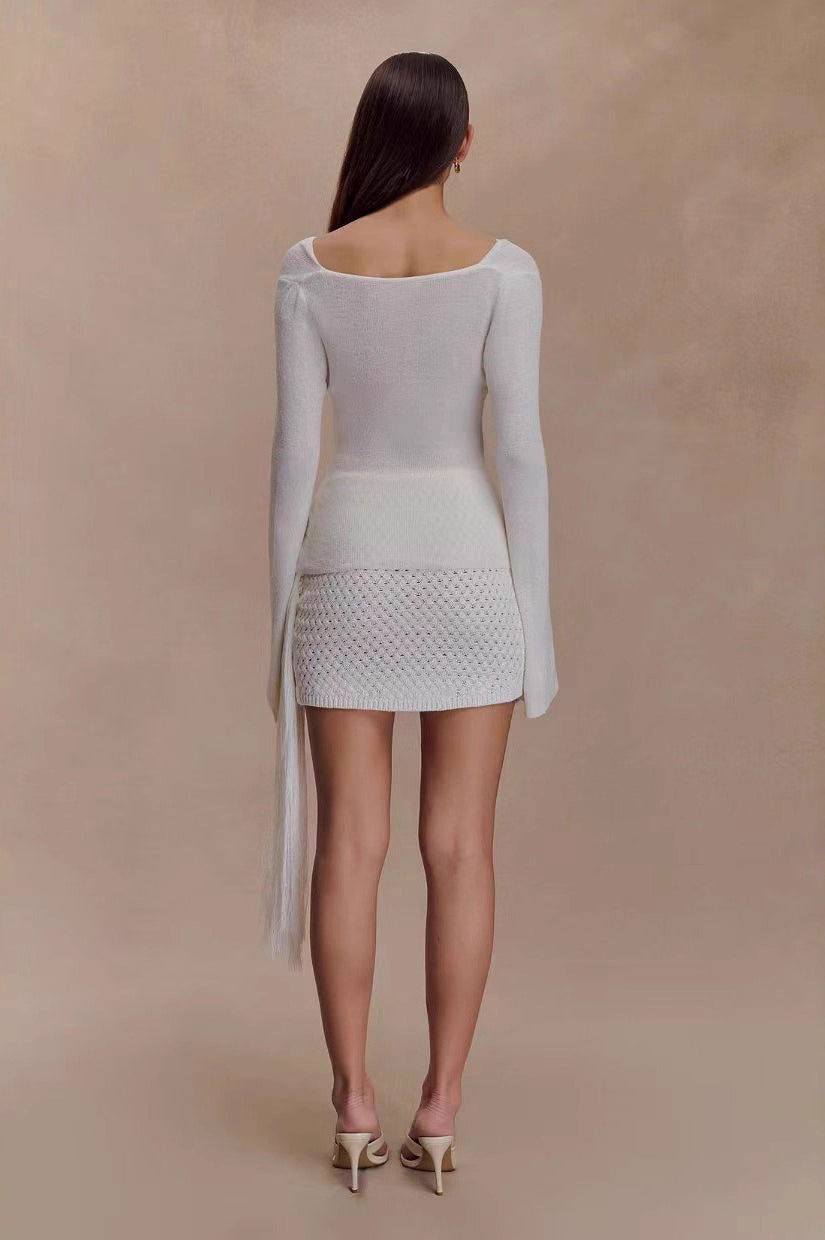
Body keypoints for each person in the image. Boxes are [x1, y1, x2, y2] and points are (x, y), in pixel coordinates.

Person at [265, 51, 559, 1195]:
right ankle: (439, 1105)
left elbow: (294, 459)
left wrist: (278, 619)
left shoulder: (309, 267)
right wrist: (537, 622)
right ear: (462, 142)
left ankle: (353, 1105)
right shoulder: (505, 271)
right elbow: (520, 453)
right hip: (469, 566)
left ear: (375, 134)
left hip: (347, 563)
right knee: (461, 846)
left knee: (350, 844)